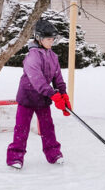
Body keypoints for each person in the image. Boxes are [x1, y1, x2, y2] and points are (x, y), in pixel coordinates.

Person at [6, 19, 71, 169]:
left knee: (48, 127)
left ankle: (53, 154)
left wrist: (63, 94)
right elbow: (37, 80)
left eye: (53, 39)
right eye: (49, 39)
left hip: (43, 98)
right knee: (22, 128)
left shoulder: (53, 56)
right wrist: (53, 95)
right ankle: (15, 157)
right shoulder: (32, 56)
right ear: (39, 38)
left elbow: (58, 78)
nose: (52, 42)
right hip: (27, 97)